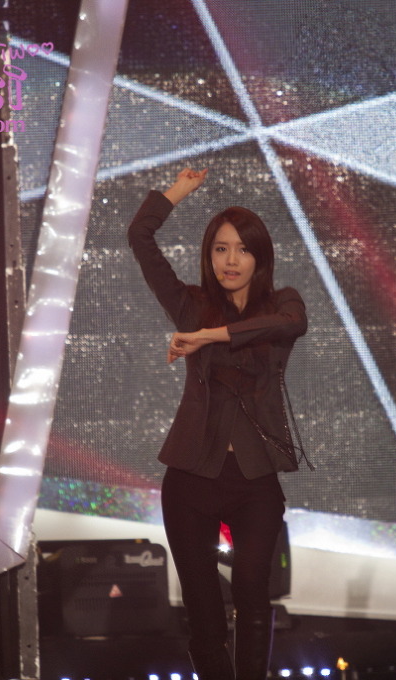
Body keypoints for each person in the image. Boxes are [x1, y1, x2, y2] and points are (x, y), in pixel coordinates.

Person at [127, 168, 308, 680]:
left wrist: (208, 336)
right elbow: (139, 237)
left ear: (259, 257)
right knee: (204, 609)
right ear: (209, 257)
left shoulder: (283, 303)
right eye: (220, 249)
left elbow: (293, 324)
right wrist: (176, 193)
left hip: (255, 478)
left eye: (242, 250)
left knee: (252, 588)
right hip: (191, 476)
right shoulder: (191, 305)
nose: (231, 261)